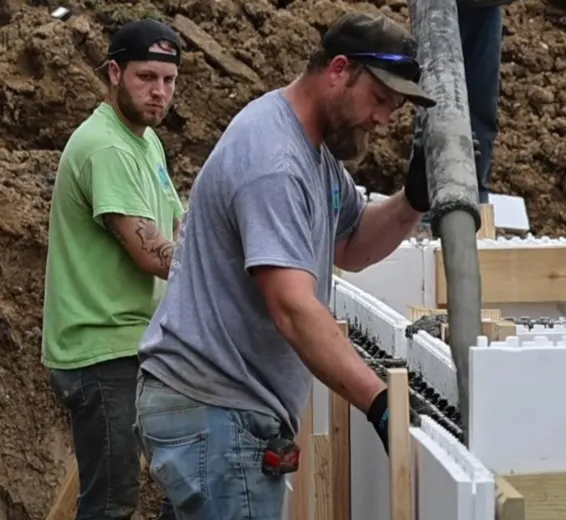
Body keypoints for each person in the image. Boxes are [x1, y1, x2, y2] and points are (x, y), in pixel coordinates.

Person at [132, 11, 433, 519]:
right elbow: (293, 308)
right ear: (339, 70)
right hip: (216, 408)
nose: (384, 119)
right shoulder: (274, 160)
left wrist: (412, 201)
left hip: (211, 405)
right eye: (380, 100)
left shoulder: (313, 154)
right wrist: (381, 404)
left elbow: (352, 245)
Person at [40, 18, 185, 520]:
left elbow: (177, 229)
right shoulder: (106, 147)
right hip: (102, 351)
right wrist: (226, 271)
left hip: (136, 344)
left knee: (187, 477)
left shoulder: (145, 142)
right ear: (114, 73)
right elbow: (150, 251)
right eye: (146, 78)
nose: (159, 92)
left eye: (168, 81)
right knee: (110, 503)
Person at [411, 0, 508, 204]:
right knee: (437, 101)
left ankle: (475, 196)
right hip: (437, 8)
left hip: (484, 8)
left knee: (481, 107)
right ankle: (429, 197)